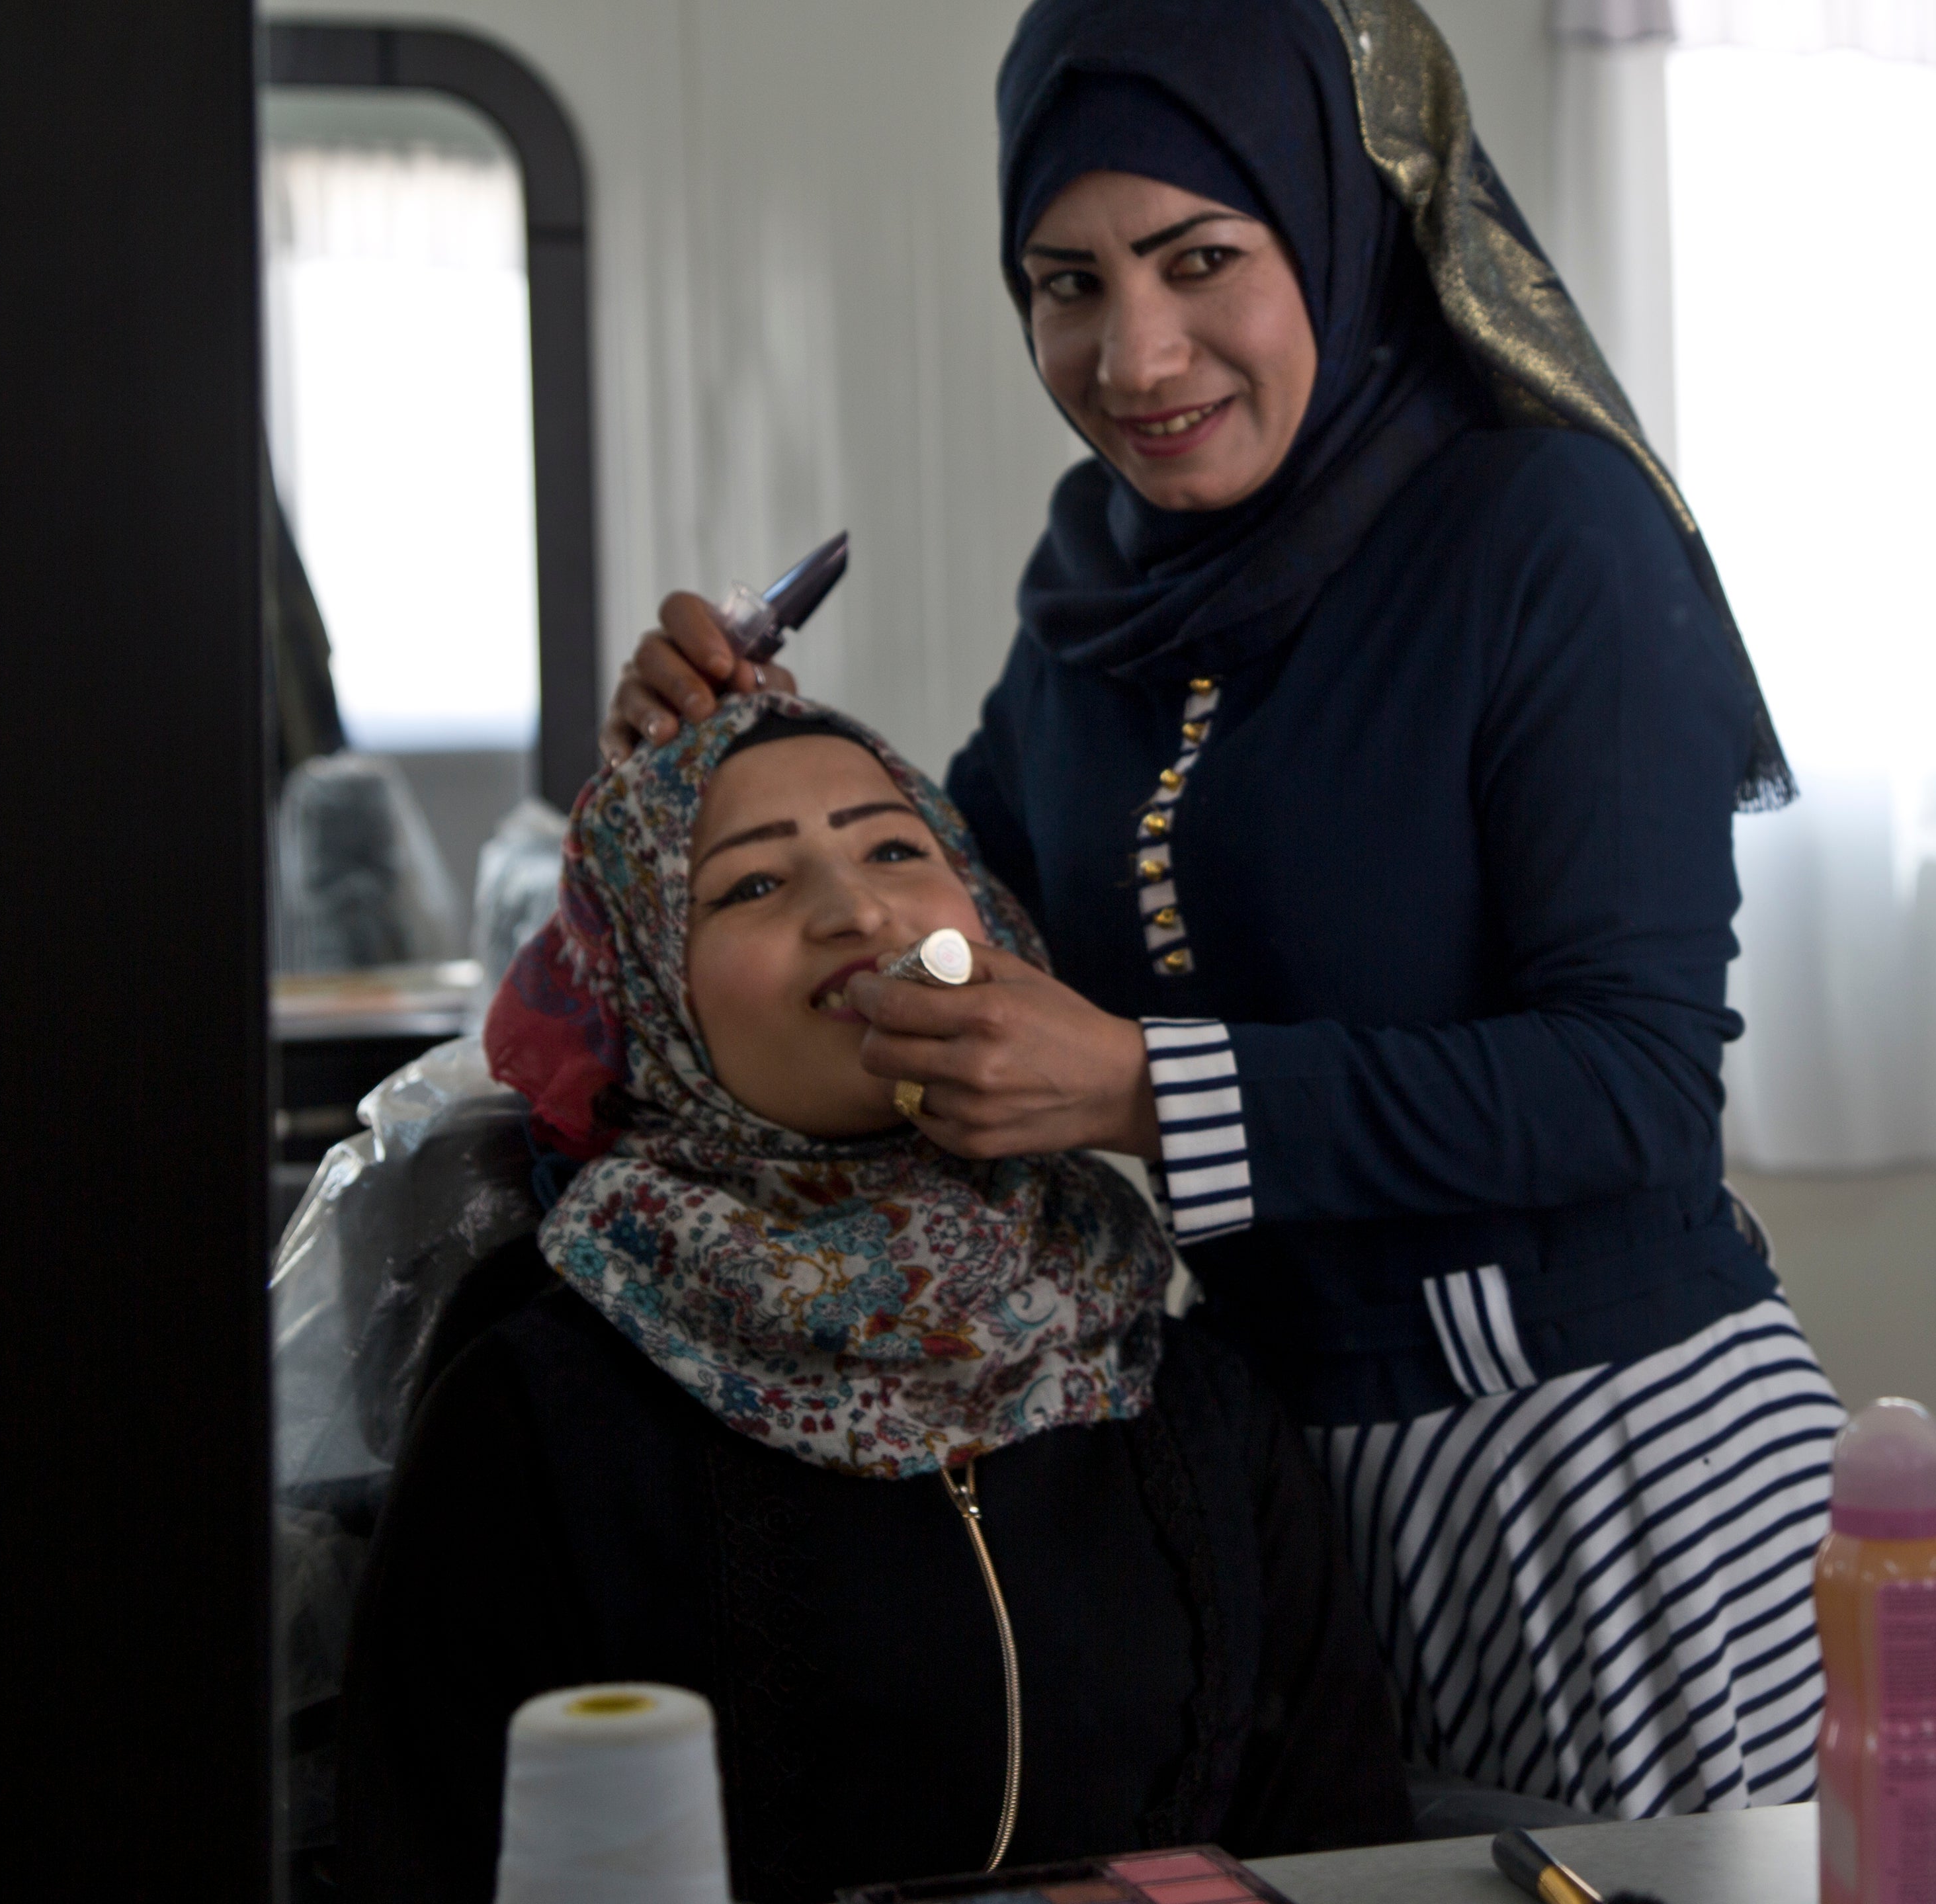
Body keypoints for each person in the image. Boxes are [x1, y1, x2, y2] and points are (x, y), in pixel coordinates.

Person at [607, 0, 1845, 1818]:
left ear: (1343, 232)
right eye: (1066, 283)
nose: (1135, 354)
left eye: (1203, 263)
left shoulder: (1543, 537)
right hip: (1271, 1461)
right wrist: (729, 770)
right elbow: (971, 938)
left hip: (1595, 1463)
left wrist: (1135, 1087)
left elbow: (1634, 1081)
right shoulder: (1106, 585)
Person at [337, 694, 1413, 1903]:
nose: (856, 911)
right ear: (649, 990)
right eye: (750, 887)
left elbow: (1339, 1845)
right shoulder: (539, 1411)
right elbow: (421, 1852)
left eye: (897, 849)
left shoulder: (1178, 1387)